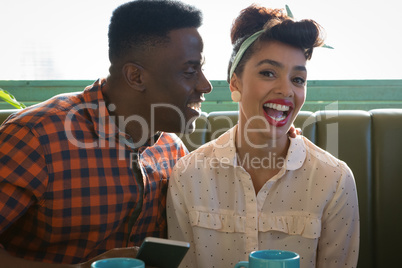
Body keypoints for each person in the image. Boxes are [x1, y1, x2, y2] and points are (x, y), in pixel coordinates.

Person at [0, 0, 212, 267]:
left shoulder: (172, 150)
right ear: (136, 77)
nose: (205, 86)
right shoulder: (35, 138)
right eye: (191, 71)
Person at [167, 4, 359, 268]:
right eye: (268, 73)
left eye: (298, 79)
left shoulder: (335, 181)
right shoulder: (187, 176)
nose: (286, 90)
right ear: (235, 84)